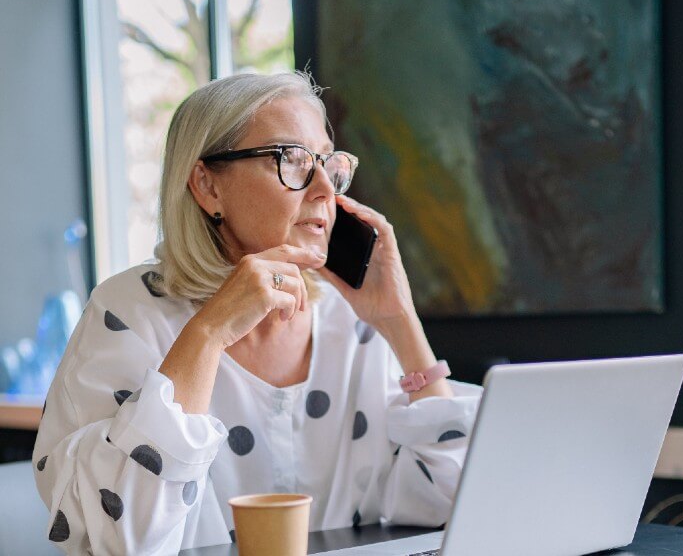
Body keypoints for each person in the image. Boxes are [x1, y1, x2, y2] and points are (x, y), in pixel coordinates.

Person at [32, 72, 481, 554]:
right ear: (207, 186)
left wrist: (399, 322)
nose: (326, 189)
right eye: (292, 160)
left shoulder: (348, 320)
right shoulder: (128, 313)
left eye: (329, 163)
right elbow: (118, 540)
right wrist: (208, 333)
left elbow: (457, 502)